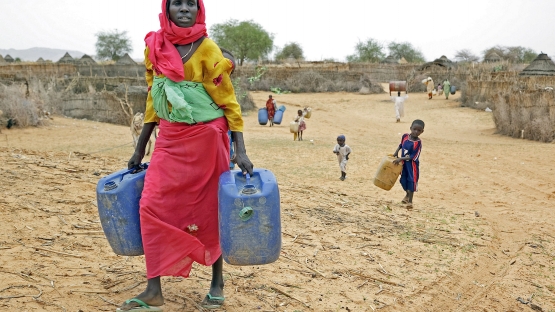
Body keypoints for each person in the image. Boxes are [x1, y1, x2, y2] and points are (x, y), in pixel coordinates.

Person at [119, 0, 254, 311]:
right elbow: (154, 96)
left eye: (190, 3)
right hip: (169, 137)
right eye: (176, 3)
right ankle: (153, 290)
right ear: (167, 10)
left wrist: (241, 149)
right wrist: (140, 147)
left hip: (207, 138)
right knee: (151, 203)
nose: (184, 8)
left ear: (199, 10)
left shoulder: (208, 49)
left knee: (210, 209)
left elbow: (229, 102)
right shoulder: (154, 46)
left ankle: (217, 283)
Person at [392, 120, 424, 210]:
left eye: (419, 130)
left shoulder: (418, 143)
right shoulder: (405, 136)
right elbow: (401, 145)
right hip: (403, 164)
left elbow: (413, 156)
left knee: (411, 181)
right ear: (411, 128)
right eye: (414, 129)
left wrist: (400, 159)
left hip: (412, 166)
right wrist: (395, 153)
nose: (416, 132)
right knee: (403, 180)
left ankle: (410, 201)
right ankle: (407, 194)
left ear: (422, 131)